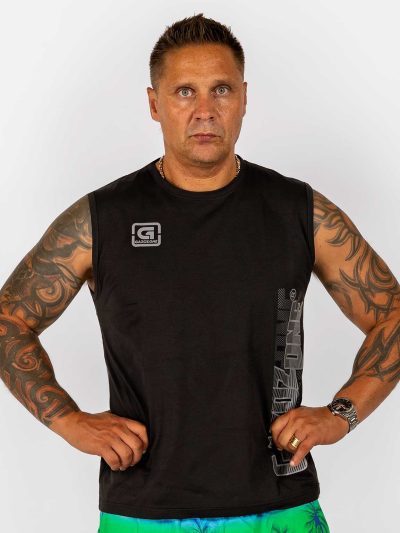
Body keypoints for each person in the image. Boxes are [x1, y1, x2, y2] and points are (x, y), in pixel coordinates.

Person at [0, 12, 399, 533]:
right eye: (185, 92)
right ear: (154, 104)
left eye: (221, 90)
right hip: (144, 512)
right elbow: (9, 320)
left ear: (244, 98)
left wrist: (341, 415)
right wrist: (69, 421)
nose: (205, 110)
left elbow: (392, 314)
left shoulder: (299, 211)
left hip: (279, 508)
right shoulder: (102, 219)